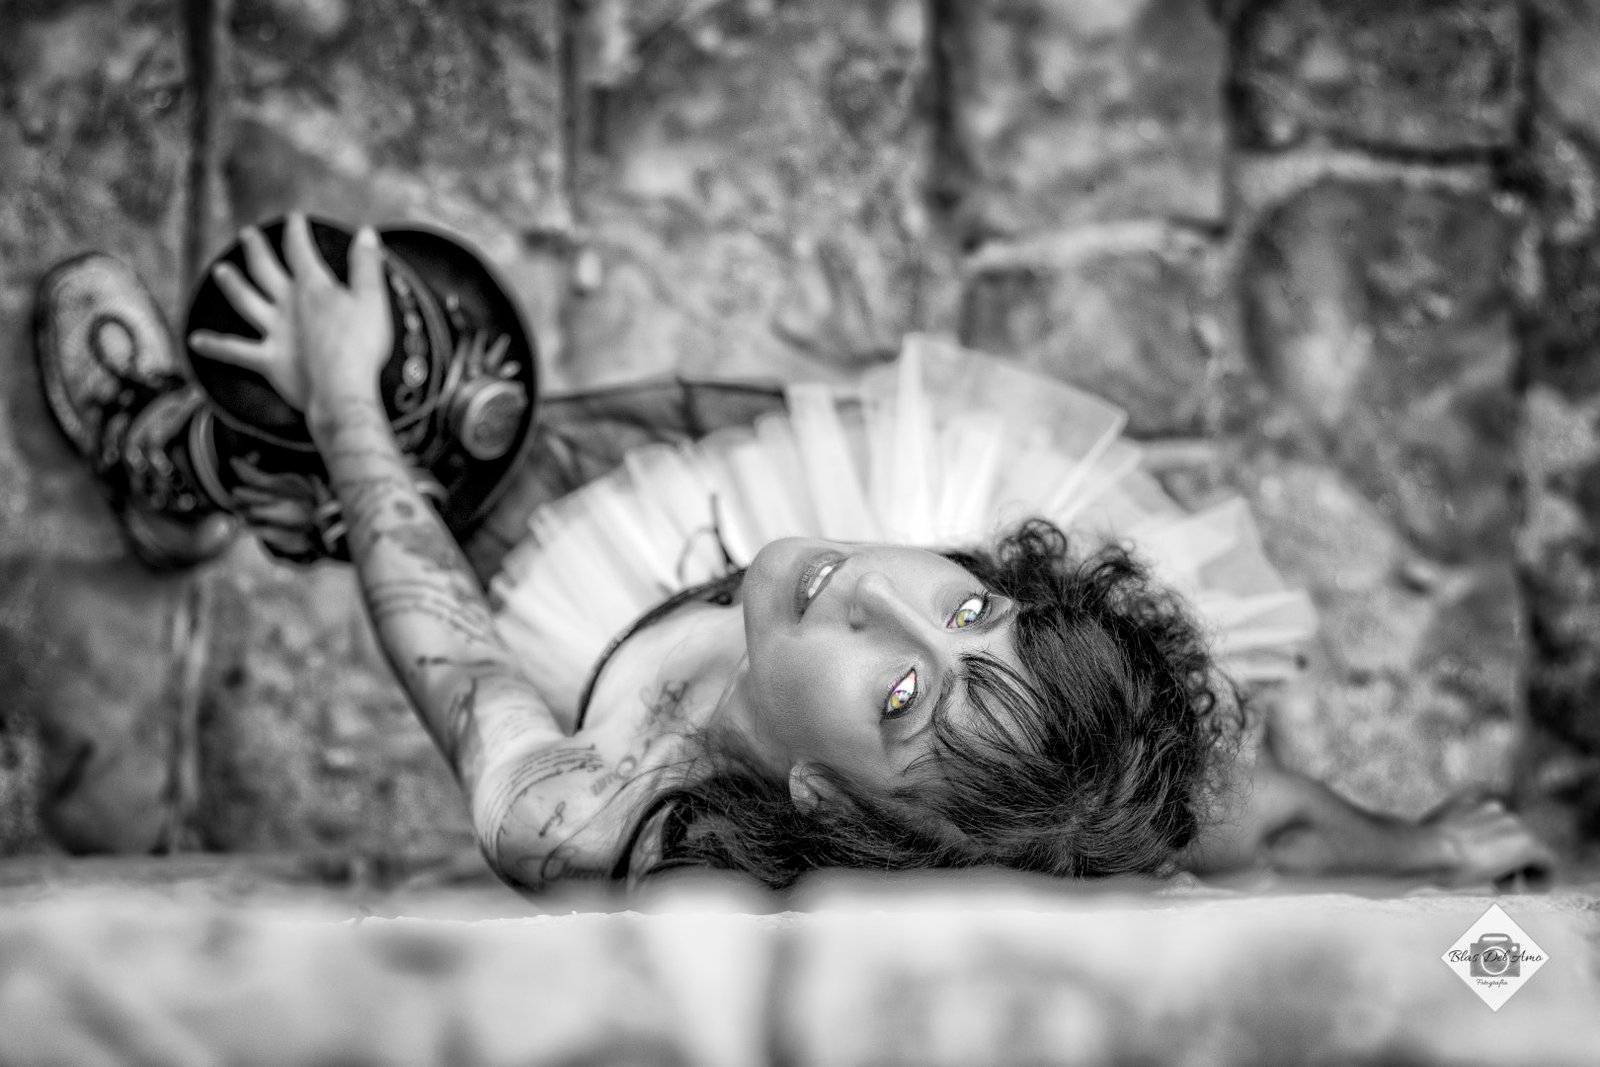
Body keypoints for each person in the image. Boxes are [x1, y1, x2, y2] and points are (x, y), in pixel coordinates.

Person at [42, 214, 1555, 894]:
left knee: (408, 478)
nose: (886, 591)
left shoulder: (584, 814)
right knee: (561, 431)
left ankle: (178, 457)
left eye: (904, 697)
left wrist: (337, 396)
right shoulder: (1046, 767)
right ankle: (254, 473)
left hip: (623, 626)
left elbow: (424, 599)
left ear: (826, 801)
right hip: (729, 548)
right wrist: (1419, 854)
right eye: (976, 606)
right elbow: (1238, 817)